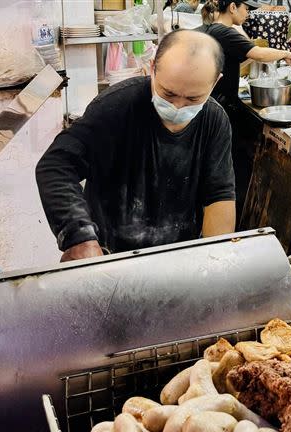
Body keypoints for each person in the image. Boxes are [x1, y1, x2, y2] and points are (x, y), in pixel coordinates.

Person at [36, 30, 236, 261]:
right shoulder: (115, 107)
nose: (178, 107)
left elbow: (218, 195)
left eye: (193, 99)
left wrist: (216, 260)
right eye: (168, 94)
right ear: (151, 68)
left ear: (216, 82)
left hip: (177, 257)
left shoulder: (214, 120)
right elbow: (56, 166)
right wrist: (79, 237)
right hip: (109, 255)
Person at [198, 0, 291, 217]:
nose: (248, 14)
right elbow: (258, 53)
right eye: (246, 8)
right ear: (233, 7)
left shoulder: (211, 29)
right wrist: (286, 54)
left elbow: (244, 57)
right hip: (221, 106)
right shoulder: (224, 31)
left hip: (211, 104)